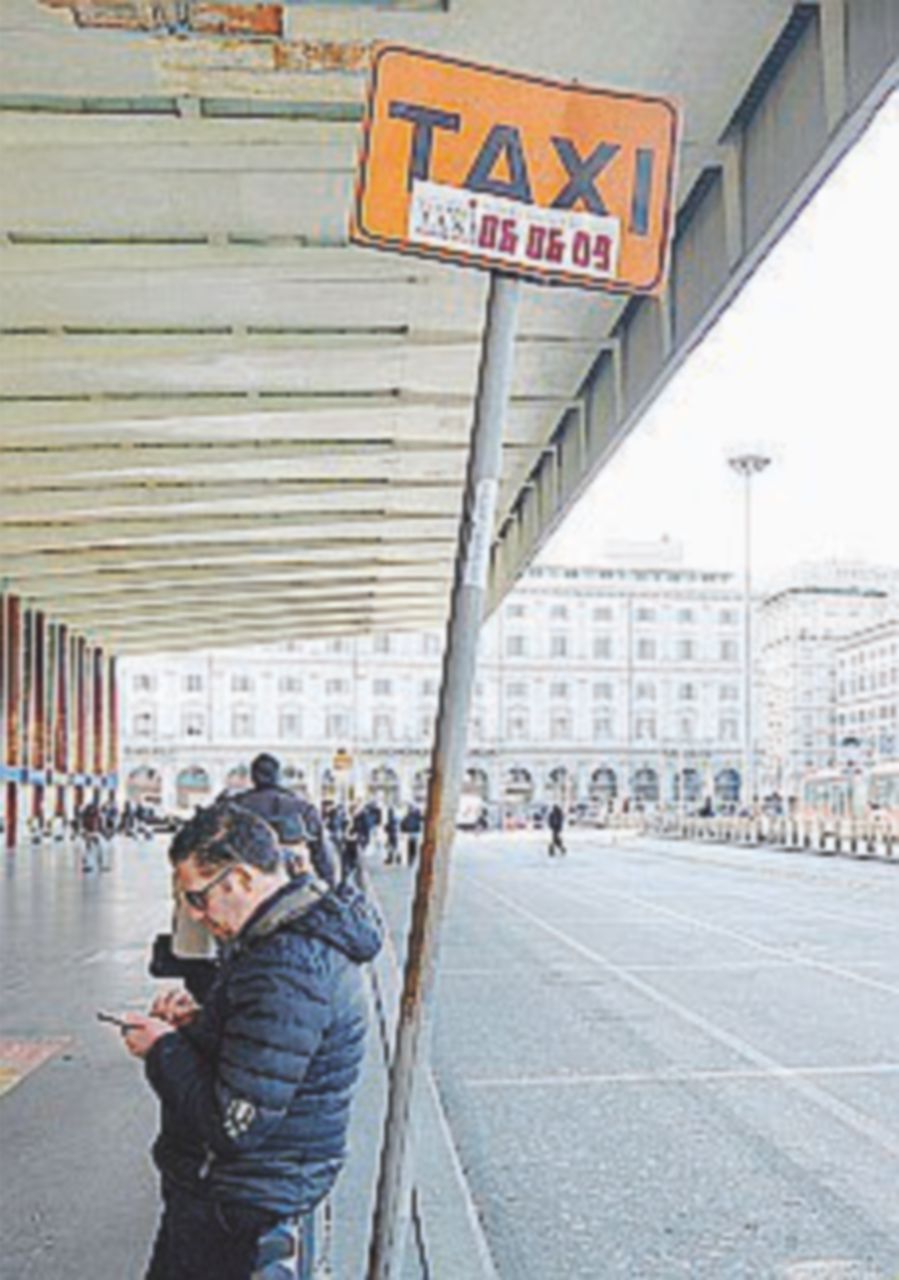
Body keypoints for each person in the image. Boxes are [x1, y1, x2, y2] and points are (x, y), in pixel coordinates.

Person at [117, 801, 382, 1280]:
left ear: (239, 879)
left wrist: (162, 1049)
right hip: (252, 1187)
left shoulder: (288, 968)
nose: (194, 915)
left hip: (242, 1201)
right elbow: (261, 1055)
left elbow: (234, 1124)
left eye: (196, 897)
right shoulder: (279, 938)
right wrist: (198, 1024)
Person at [232, 753, 340, 887]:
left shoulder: (234, 807)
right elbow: (321, 855)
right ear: (277, 776)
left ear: (253, 777)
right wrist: (330, 885)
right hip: (293, 883)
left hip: (248, 884)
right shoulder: (302, 807)